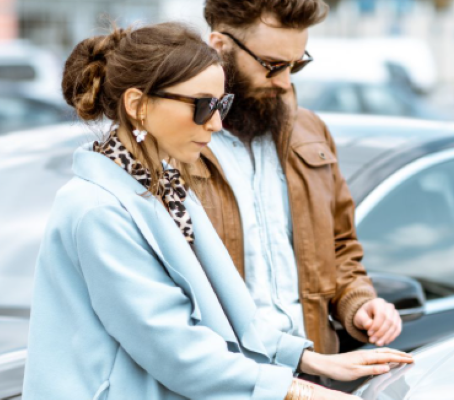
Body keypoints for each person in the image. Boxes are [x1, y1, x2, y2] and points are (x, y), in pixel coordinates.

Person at [23, 22, 412, 400]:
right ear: (138, 105)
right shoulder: (98, 210)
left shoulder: (164, 185)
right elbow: (175, 350)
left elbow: (229, 313)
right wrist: (301, 391)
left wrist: (314, 361)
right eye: (203, 106)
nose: (216, 123)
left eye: (222, 103)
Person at [193, 0, 405, 369]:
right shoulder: (176, 145)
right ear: (220, 46)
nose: (285, 82)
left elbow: (340, 247)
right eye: (272, 65)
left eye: (296, 65)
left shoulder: (311, 132)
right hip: (228, 380)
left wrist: (358, 302)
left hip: (318, 373)